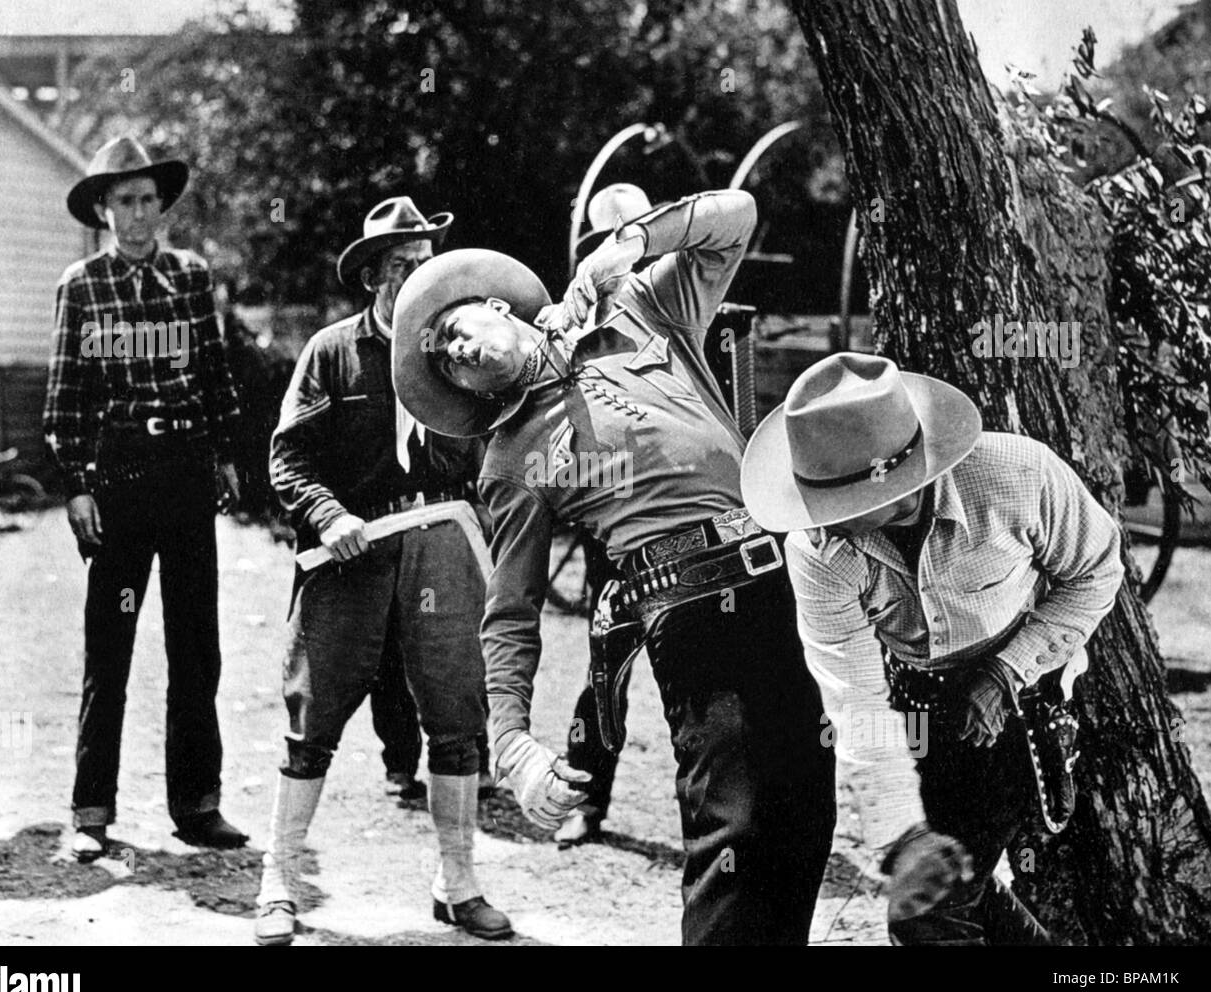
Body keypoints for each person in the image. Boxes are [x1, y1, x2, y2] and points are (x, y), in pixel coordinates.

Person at [392, 189, 836, 945]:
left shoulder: (636, 308)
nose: (452, 350)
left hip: (782, 587)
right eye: (443, 361)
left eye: (453, 327)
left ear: (501, 307)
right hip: (690, 613)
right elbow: (510, 610)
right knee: (737, 827)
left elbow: (737, 216)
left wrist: (629, 241)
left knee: (803, 813)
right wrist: (513, 745)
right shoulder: (511, 457)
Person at [739, 352, 1124, 945]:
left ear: (898, 486)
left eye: (840, 509)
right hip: (916, 699)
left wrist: (1007, 671)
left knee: (926, 913)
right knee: (948, 883)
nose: (822, 526)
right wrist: (903, 839)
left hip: (1025, 701)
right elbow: (854, 695)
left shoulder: (1020, 476)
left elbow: (1097, 573)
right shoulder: (818, 550)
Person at [254, 197, 511, 946]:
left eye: (426, 262)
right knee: (315, 714)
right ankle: (279, 879)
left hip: (439, 545)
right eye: (399, 266)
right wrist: (329, 516)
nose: (416, 277)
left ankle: (457, 883)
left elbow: (499, 448)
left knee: (457, 716)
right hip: (351, 551)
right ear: (371, 277)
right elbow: (287, 456)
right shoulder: (332, 352)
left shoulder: (462, 355)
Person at [43, 136, 248, 861]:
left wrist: (226, 454)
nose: (138, 213)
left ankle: (198, 805)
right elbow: (66, 392)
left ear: (162, 207)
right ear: (102, 209)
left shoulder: (190, 279)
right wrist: (76, 484)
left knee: (198, 646)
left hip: (186, 469)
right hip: (121, 476)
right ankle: (91, 812)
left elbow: (217, 371)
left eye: (148, 200)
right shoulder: (83, 285)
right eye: (124, 201)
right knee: (112, 646)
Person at [553, 183, 655, 847]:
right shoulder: (578, 320)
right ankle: (586, 797)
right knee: (607, 664)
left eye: (631, 242)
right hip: (615, 528)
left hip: (693, 518)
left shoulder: (681, 303)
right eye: (607, 249)